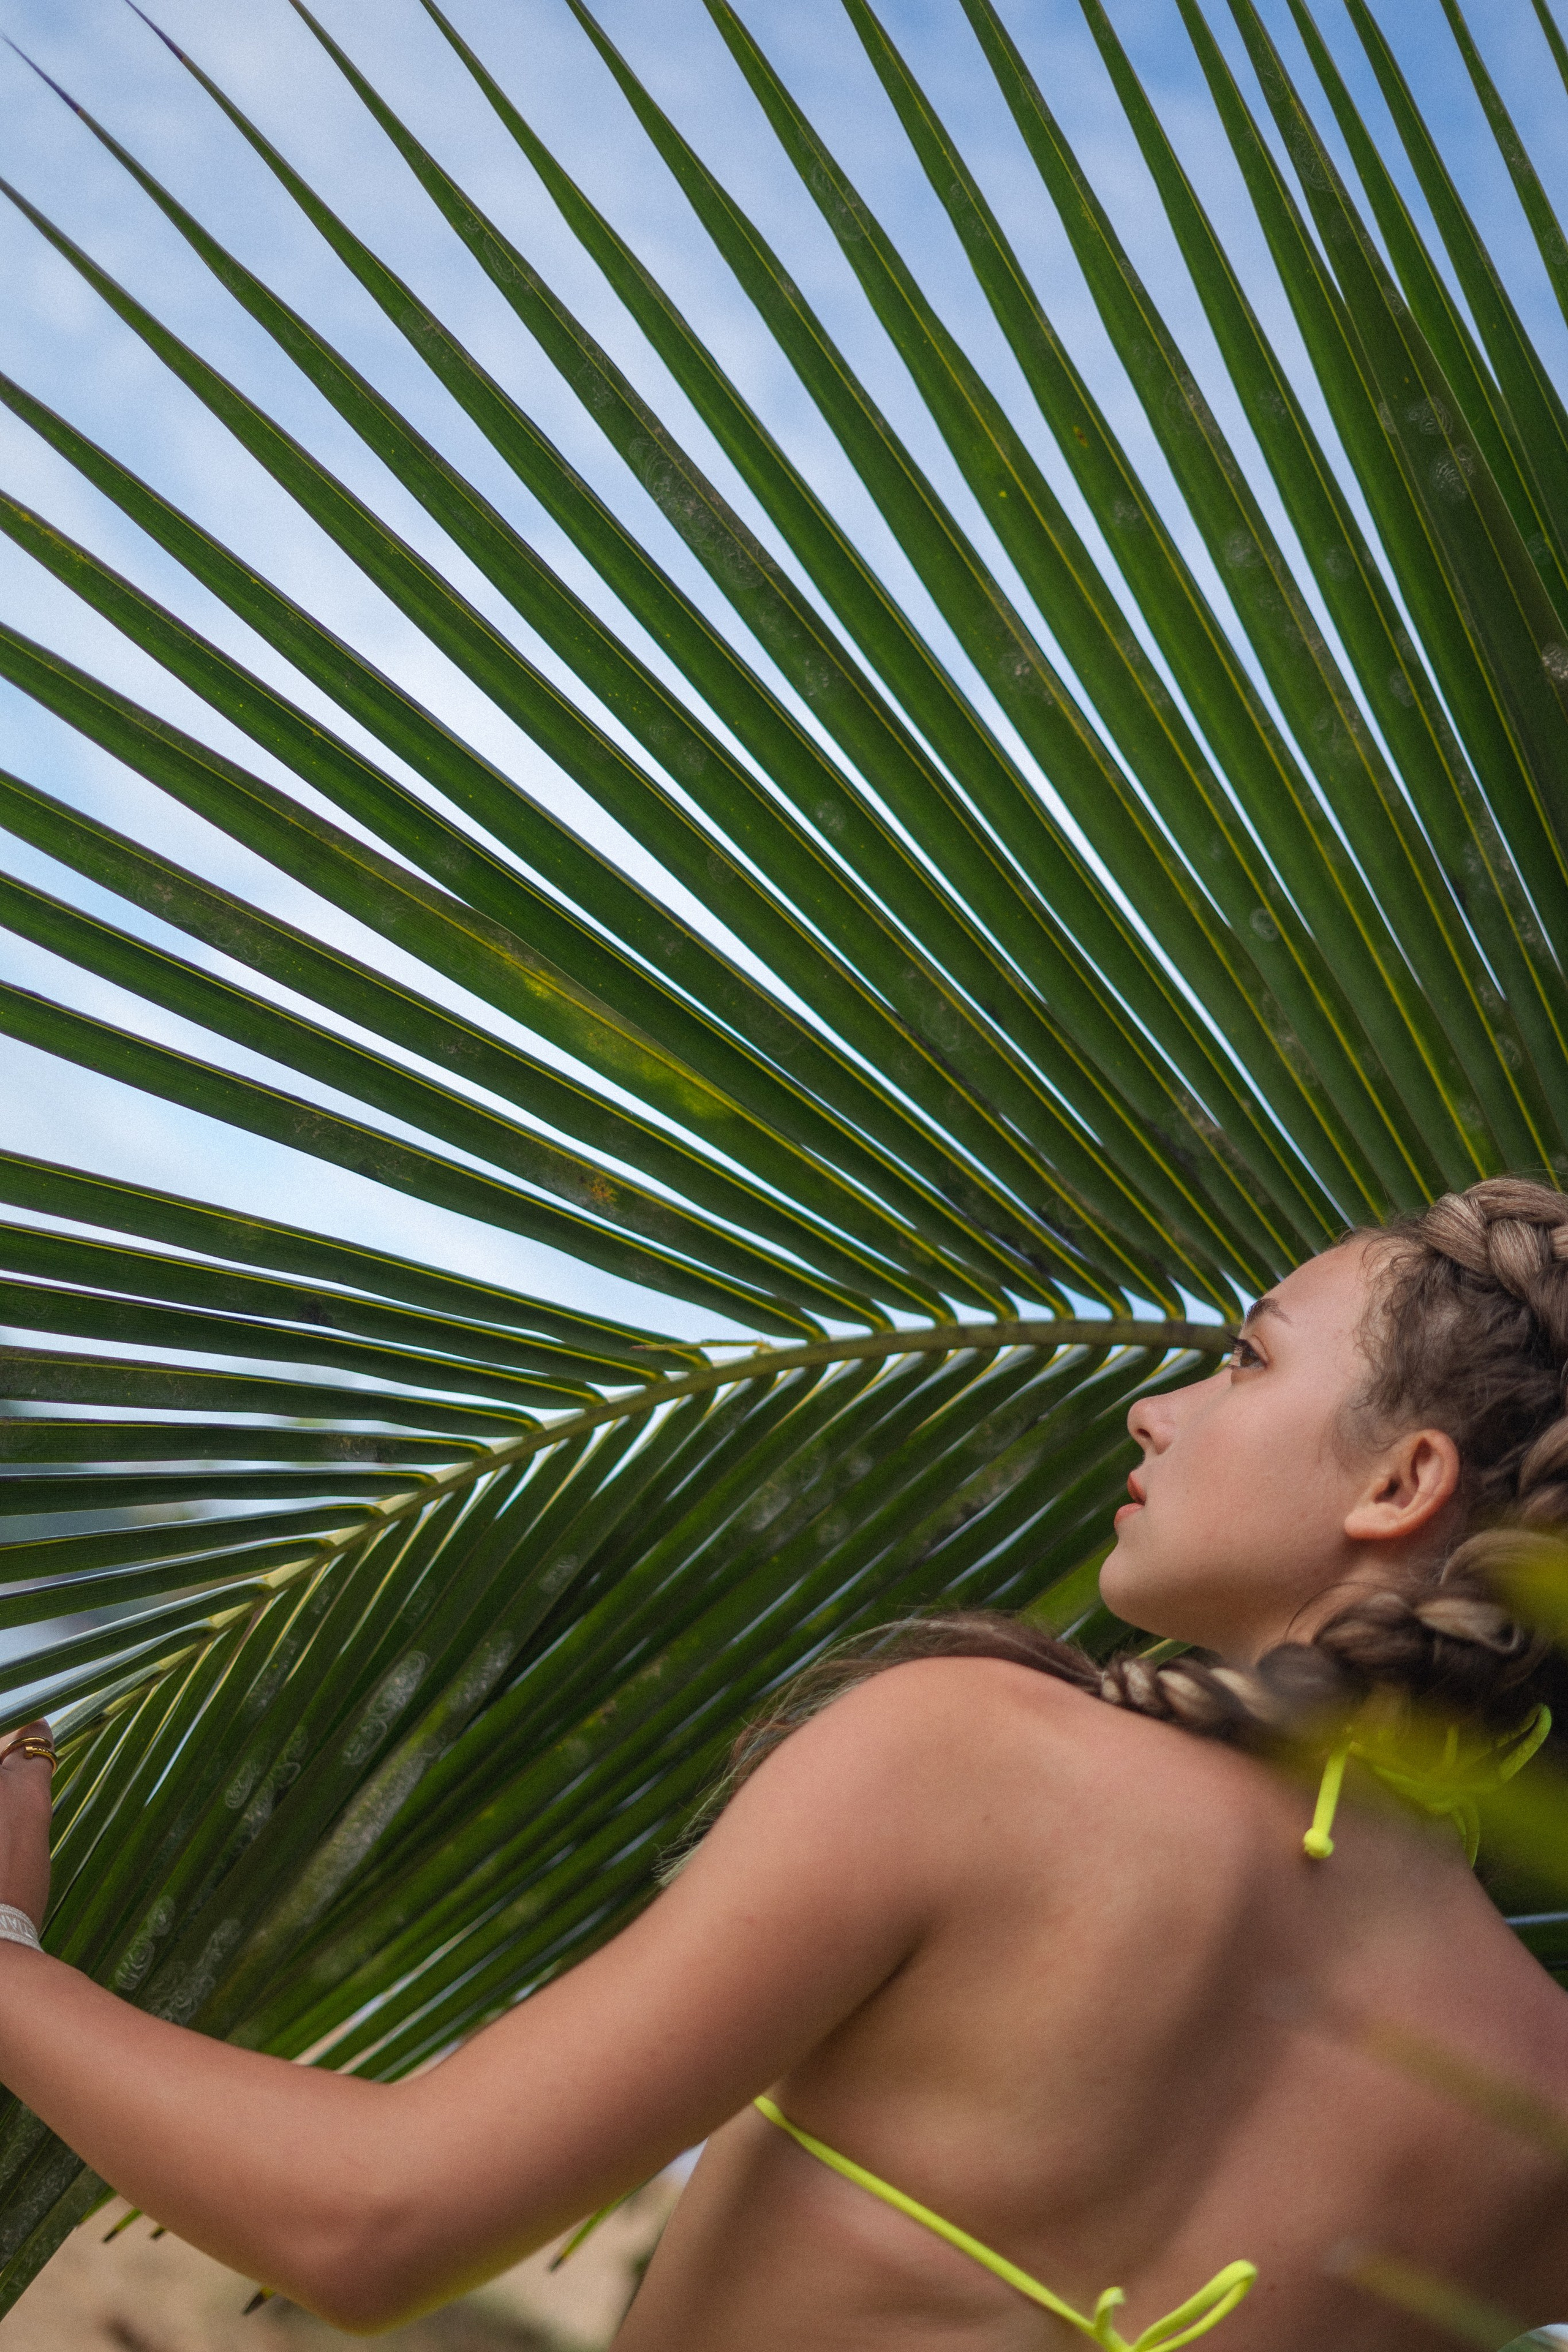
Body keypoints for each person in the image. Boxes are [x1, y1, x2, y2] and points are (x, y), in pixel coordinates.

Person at [1, 1178, 1567, 2349]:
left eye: (1241, 1361)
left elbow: (374, 2221)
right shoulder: (1539, 2094)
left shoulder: (988, 1758)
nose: (1153, 1411)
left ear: (1401, 1477)